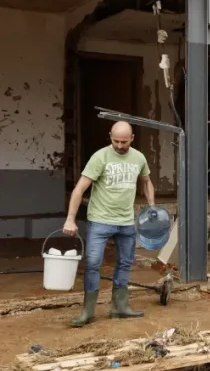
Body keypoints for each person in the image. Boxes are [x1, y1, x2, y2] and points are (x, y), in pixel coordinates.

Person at [63, 121, 155, 328]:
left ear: (132, 138)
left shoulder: (139, 157)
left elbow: (147, 181)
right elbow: (79, 189)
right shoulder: (100, 157)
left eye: (124, 141)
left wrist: (151, 207)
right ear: (110, 137)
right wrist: (70, 218)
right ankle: (88, 311)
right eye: (116, 141)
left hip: (126, 222)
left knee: (124, 263)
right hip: (100, 220)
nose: (120, 146)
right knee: (93, 264)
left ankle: (120, 307)